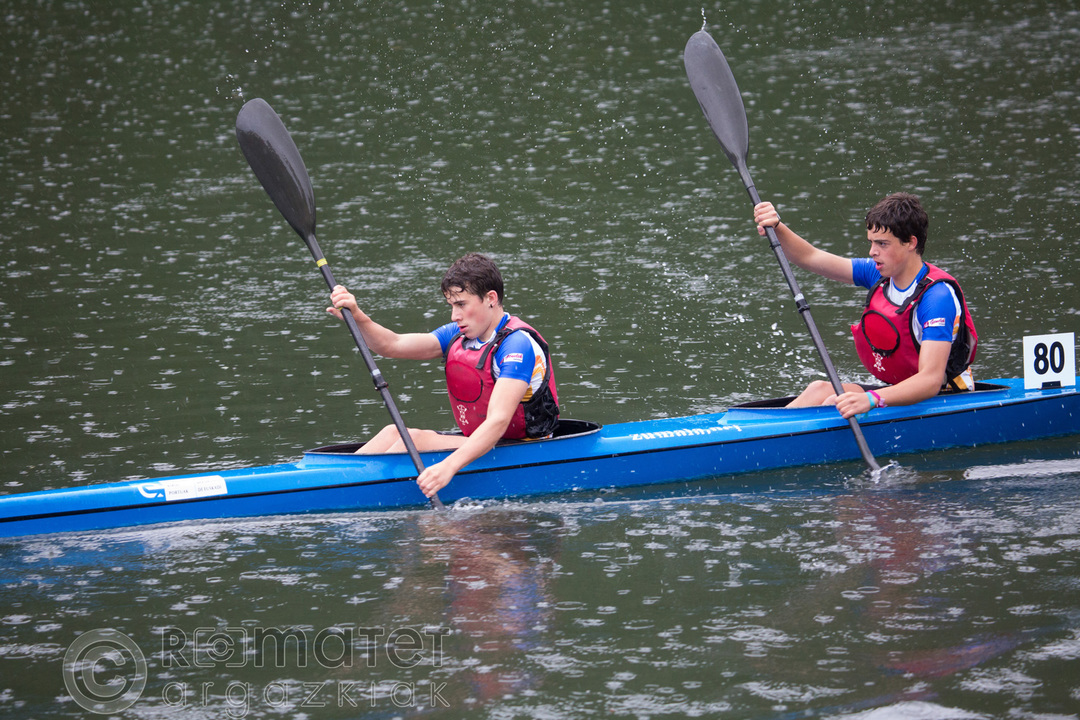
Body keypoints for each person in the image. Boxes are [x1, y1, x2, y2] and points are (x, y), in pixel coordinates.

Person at [327, 253, 559, 498]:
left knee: (415, 439)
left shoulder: (517, 345)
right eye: (452, 306)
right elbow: (392, 345)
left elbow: (498, 421)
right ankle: (335, 482)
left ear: (491, 298)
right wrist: (359, 317)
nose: (454, 316)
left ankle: (347, 492)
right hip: (483, 443)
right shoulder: (457, 335)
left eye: (461, 305)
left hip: (526, 450)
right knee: (392, 432)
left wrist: (448, 468)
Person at [752, 193, 977, 419]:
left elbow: (930, 380)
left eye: (882, 244)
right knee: (818, 389)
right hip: (898, 390)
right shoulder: (878, 274)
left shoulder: (936, 297)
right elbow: (810, 257)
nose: (872, 252)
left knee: (833, 403)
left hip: (943, 398)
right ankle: (763, 432)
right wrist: (778, 227)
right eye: (872, 242)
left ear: (911, 242)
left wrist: (872, 399)